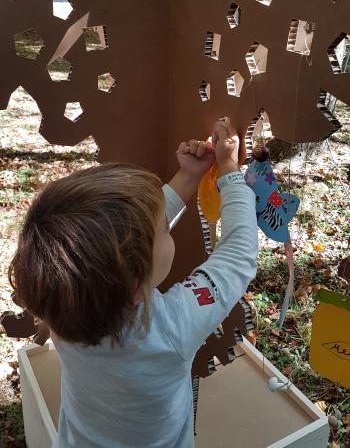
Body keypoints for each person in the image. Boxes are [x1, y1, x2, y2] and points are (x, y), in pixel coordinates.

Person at [9, 118, 258, 448]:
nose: (166, 231)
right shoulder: (171, 327)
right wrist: (229, 170)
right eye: (164, 232)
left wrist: (188, 176)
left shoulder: (65, 307)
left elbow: (132, 239)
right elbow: (239, 254)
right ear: (135, 281)